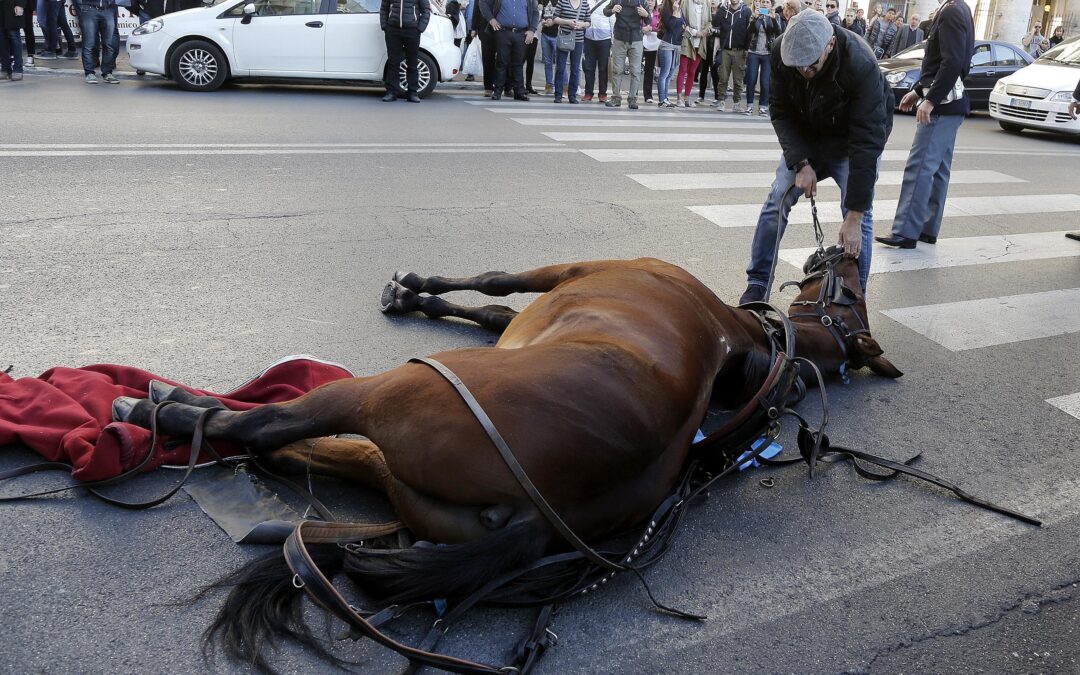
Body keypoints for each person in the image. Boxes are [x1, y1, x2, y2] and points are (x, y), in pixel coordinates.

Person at [739, 9, 892, 303]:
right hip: (809, 139)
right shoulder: (781, 53)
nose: (802, 72)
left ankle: (854, 300)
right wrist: (801, 163)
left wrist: (855, 215)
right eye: (796, 66)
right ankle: (757, 283)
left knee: (859, 215)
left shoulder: (861, 63)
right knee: (776, 198)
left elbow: (867, 143)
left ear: (830, 45)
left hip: (851, 144)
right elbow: (780, 109)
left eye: (810, 65)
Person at [876, 0, 973, 250]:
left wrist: (930, 100)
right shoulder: (960, 8)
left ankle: (906, 231)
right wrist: (918, 91)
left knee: (919, 168)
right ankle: (927, 228)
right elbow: (947, 61)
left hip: (941, 106)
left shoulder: (951, 11)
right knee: (938, 169)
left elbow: (952, 63)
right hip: (952, 105)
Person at [480, 0, 539, 100]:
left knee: (518, 63)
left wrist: (532, 30)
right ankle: (497, 91)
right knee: (501, 62)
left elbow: (535, 12)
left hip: (521, 33)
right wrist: (491, 19)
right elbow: (483, 3)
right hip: (503, 32)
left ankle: (519, 92)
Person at [381, 0, 430, 101]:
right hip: (393, 30)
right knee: (393, 62)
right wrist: (385, 26)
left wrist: (420, 28)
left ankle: (412, 93)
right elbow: (384, 8)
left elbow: (426, 10)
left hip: (412, 30)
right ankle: (391, 92)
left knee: (412, 62)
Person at [605, 0, 649, 108]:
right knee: (617, 70)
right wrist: (612, 10)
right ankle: (616, 98)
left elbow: (649, 19)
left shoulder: (642, 1)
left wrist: (646, 14)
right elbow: (605, 11)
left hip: (636, 39)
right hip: (619, 39)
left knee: (635, 71)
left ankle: (632, 99)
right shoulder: (617, 0)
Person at [712, 0, 750, 111]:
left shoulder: (746, 11)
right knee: (723, 77)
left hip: (740, 50)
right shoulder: (724, 10)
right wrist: (721, 9)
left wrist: (747, 48)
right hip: (725, 50)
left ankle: (737, 103)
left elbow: (749, 32)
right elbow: (715, 23)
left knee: (738, 79)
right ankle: (721, 101)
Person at [744, 0, 778, 115]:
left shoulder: (774, 16)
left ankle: (763, 106)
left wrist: (773, 18)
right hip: (754, 52)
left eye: (767, 2)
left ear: (771, 5)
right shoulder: (755, 15)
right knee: (751, 79)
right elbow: (749, 31)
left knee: (765, 81)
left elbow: (778, 32)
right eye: (763, 2)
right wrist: (755, 18)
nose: (764, 4)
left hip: (767, 53)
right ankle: (749, 106)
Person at [552, 0, 590, 102]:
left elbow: (588, 22)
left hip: (578, 40)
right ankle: (558, 95)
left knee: (575, 68)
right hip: (564, 38)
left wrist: (581, 25)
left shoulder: (584, 3)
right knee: (560, 67)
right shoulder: (563, 2)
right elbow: (555, 18)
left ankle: (572, 95)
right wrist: (567, 22)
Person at [675, 0, 709, 107]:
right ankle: (679, 98)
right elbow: (682, 21)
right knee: (683, 69)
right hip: (687, 39)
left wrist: (705, 31)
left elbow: (710, 21)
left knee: (692, 71)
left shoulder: (706, 3)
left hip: (701, 42)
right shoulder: (686, 2)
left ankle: (687, 98)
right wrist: (695, 32)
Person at [77, 0, 119, 83]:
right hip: (88, 8)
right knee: (89, 43)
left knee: (109, 44)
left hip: (108, 8)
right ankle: (89, 73)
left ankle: (107, 73)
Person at [582, 0, 613, 101]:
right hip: (589, 38)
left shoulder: (609, 2)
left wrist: (613, 41)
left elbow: (612, 21)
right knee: (589, 67)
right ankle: (588, 93)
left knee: (603, 68)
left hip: (605, 39)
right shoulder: (587, 1)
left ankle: (602, 94)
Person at [655, 0, 682, 106]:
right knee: (664, 73)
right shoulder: (665, 9)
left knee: (670, 74)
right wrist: (675, 12)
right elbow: (670, 27)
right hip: (667, 45)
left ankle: (665, 98)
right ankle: (662, 100)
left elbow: (682, 25)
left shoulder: (681, 9)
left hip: (677, 46)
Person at [695, 0, 719, 106]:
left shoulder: (722, 13)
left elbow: (724, 29)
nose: (713, 1)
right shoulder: (705, 11)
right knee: (703, 71)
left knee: (714, 72)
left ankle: (717, 97)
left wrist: (714, 30)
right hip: (704, 44)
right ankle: (701, 95)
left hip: (715, 46)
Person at [0, 0, 26, 80]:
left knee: (14, 36)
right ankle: (5, 68)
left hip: (12, 5)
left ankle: (18, 69)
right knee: (2, 39)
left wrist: (20, 4)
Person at [642, 0, 661, 102]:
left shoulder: (658, 13)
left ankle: (648, 96)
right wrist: (643, 28)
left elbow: (660, 28)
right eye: (648, 0)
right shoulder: (640, 11)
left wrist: (651, 29)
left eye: (652, 0)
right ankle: (633, 94)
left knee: (649, 70)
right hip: (639, 41)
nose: (650, 2)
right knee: (635, 69)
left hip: (652, 43)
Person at [540, 0, 560, 94]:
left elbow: (565, 17)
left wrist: (553, 22)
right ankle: (549, 86)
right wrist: (543, 21)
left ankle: (561, 88)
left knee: (560, 62)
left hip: (558, 35)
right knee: (548, 62)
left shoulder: (562, 2)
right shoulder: (545, 1)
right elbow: (543, 15)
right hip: (545, 34)